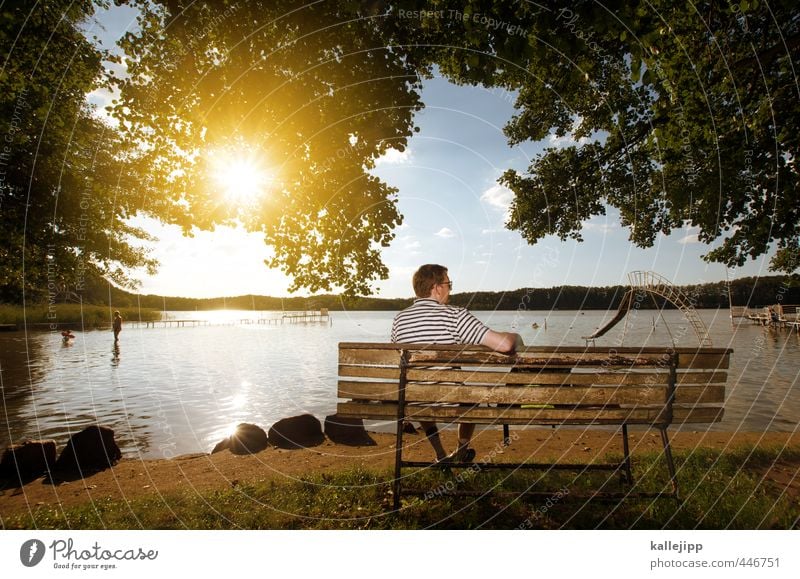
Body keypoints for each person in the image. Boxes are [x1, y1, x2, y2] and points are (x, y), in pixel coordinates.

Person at [391, 264, 523, 464]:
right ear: (437, 288)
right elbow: (504, 345)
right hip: (452, 398)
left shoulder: (399, 320)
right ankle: (462, 450)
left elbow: (398, 355)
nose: (450, 289)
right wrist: (516, 337)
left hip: (415, 400)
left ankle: (440, 454)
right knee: (470, 397)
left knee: (420, 393)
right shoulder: (455, 315)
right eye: (448, 284)